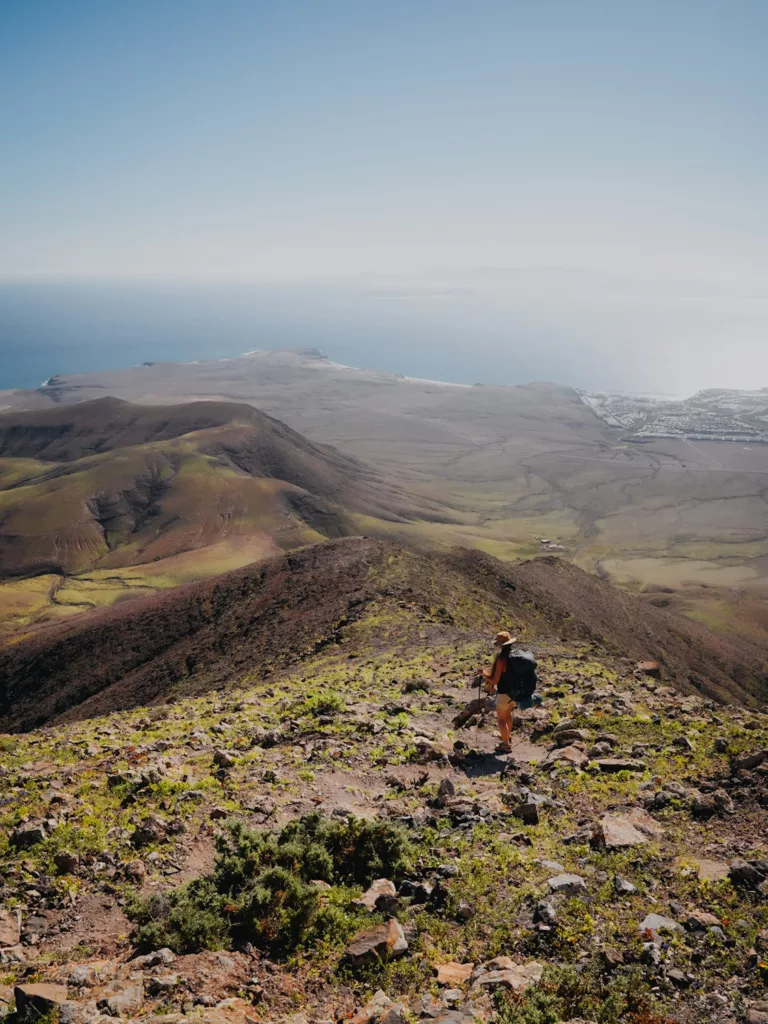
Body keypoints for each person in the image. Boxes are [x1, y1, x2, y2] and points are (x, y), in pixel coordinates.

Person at [481, 630, 538, 753]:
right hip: (515, 693)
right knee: (508, 714)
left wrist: (483, 674)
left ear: (500, 645)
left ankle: (505, 745)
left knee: (501, 719)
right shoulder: (515, 656)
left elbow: (495, 680)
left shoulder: (502, 659)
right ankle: (508, 736)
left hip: (504, 693)